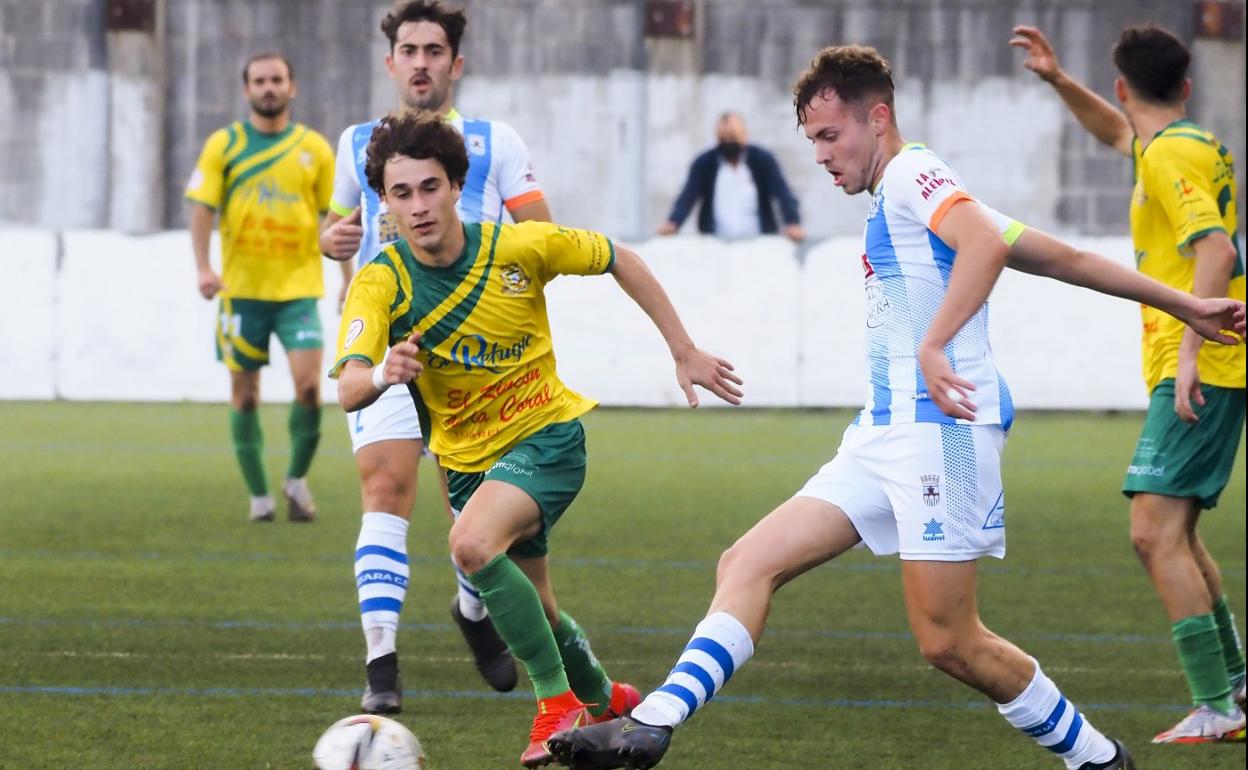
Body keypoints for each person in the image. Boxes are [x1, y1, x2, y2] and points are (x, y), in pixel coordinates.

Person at [548, 45, 1248, 770]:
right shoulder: (910, 187)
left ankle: (1099, 760)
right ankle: (652, 726)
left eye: (829, 136)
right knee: (748, 561)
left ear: (877, 118)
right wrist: (1186, 303)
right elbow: (1051, 254)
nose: (819, 156)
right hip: (882, 435)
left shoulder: (914, 172)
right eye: (811, 140)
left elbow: (980, 243)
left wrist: (934, 345)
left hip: (942, 434)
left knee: (950, 641)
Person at [330, 111, 744, 767]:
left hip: (547, 439)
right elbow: (349, 386)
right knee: (541, 614)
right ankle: (606, 697)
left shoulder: (518, 248)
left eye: (430, 187)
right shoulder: (382, 281)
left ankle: (555, 703)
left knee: (468, 544)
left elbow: (619, 258)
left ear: (456, 183)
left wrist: (683, 348)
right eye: (401, 193)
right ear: (383, 200)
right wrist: (384, 371)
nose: (418, 206)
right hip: (470, 466)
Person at [1011, 23, 1247, 744]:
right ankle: (1235, 688)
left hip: (1200, 362)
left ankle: (1218, 706)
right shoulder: (1183, 143)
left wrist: (1185, 354)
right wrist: (1057, 80)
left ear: (1124, 83)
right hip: (1208, 359)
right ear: (1184, 85)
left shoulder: (1169, 153)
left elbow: (1214, 246)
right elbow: (1120, 133)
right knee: (1176, 532)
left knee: (1151, 531)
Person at [319, 0, 553, 711]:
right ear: (391, 63)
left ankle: (473, 612)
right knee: (385, 492)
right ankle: (381, 666)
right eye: (409, 50)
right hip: (388, 345)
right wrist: (335, 250)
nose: (420, 62)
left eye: (434, 50)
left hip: (475, 359)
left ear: (457, 62)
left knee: (474, 520)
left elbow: (539, 235)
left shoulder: (494, 141)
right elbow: (343, 231)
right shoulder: (357, 140)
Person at [186, 52, 342, 523]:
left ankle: (296, 478)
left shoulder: (314, 147)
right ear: (246, 89)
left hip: (298, 290)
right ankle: (259, 497)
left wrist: (348, 276)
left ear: (292, 87)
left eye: (277, 79)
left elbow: (333, 219)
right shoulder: (224, 145)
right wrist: (202, 267)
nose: (268, 87)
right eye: (259, 80)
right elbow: (201, 208)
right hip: (241, 292)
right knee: (245, 395)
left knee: (311, 388)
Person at [658, 112, 805, 241]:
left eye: (733, 136)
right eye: (723, 138)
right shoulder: (704, 163)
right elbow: (688, 196)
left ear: (744, 135)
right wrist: (673, 223)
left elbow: (782, 193)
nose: (729, 142)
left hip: (759, 242)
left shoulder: (763, 160)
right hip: (715, 242)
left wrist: (793, 223)